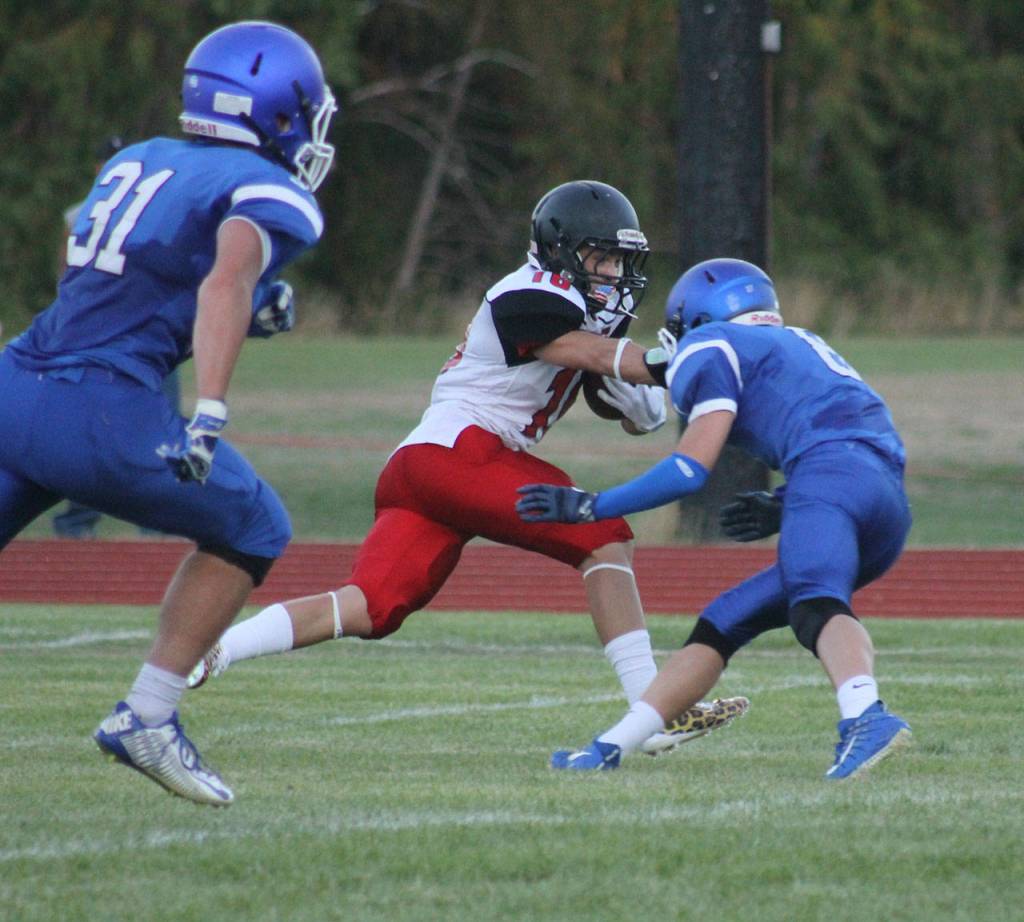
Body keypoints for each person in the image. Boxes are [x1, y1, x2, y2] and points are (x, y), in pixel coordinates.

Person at [187, 180, 749, 750]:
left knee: (370, 608)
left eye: (618, 261)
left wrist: (648, 380)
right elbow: (590, 353)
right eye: (600, 258)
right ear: (561, 250)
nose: (611, 273)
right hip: (462, 452)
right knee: (604, 536)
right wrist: (681, 360)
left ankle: (215, 648)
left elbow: (637, 414)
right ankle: (653, 711)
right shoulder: (530, 290)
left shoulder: (585, 318)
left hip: (423, 466)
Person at [0, 20, 338, 806]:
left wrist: (248, 308)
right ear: (276, 112)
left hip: (16, 384)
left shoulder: (139, 156)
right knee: (255, 524)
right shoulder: (271, 188)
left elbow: (116, 274)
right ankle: (148, 714)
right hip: (99, 409)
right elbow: (224, 281)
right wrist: (210, 410)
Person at [517, 257, 912, 779]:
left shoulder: (710, 343)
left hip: (827, 477)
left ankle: (866, 715)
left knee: (816, 603)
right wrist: (789, 502)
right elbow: (851, 433)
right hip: (882, 499)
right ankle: (611, 746)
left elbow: (690, 468)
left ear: (698, 319)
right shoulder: (797, 342)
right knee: (723, 621)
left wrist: (594, 505)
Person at [52, 135, 185, 539]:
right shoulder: (90, 213)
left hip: (143, 334)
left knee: (150, 428)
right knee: (99, 429)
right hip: (115, 336)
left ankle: (149, 526)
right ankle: (81, 522)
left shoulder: (95, 212)